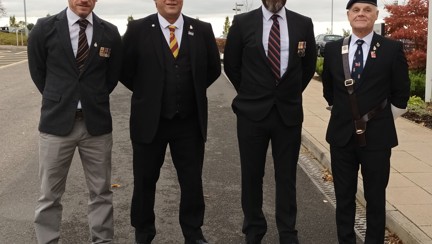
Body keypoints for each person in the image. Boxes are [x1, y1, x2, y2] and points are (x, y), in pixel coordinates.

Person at [120, 0, 221, 243]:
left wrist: (190, 90)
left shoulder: (202, 29)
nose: (171, 0)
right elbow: (124, 70)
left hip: (189, 122)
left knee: (191, 182)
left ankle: (193, 232)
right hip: (149, 121)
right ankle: (143, 232)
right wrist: (149, 94)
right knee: (144, 181)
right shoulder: (137, 30)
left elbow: (213, 69)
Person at [27, 0, 122, 243]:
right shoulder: (44, 28)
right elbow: (39, 72)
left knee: (101, 192)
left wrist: (92, 99)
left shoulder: (110, 32)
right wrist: (61, 99)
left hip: (96, 126)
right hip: (56, 125)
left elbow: (112, 76)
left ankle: (102, 240)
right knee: (49, 194)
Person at [223, 0, 316, 242]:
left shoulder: (303, 23)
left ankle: (288, 231)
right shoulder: (243, 22)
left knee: (287, 176)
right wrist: (251, 92)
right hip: (252, 114)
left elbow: (308, 67)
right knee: (251, 175)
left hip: (288, 114)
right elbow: (232, 64)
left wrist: (289, 94)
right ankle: (253, 229)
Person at [321, 0, 410, 243]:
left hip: (377, 137)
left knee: (375, 198)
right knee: (344, 196)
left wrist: (377, 120)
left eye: (367, 10)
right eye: (356, 10)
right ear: (349, 15)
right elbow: (328, 89)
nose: (361, 14)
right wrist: (345, 115)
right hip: (341, 136)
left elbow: (401, 93)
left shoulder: (391, 48)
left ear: (375, 15)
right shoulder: (333, 49)